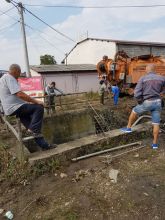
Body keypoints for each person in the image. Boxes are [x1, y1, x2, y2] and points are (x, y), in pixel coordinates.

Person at [0, 64, 55, 150]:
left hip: (14, 109)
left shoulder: (2, 79)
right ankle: (32, 130)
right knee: (39, 108)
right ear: (16, 71)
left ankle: (44, 145)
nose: (19, 76)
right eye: (19, 73)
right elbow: (19, 94)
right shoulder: (9, 77)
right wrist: (36, 101)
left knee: (33, 127)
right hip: (16, 107)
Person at [121, 64, 165, 149]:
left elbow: (137, 92)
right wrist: (162, 93)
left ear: (147, 70)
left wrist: (139, 101)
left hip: (148, 102)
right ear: (154, 70)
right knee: (156, 123)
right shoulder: (162, 78)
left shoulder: (143, 78)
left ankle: (128, 128)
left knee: (134, 111)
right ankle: (155, 144)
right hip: (158, 102)